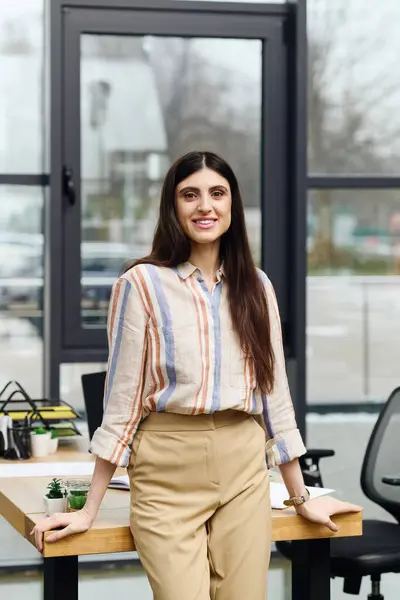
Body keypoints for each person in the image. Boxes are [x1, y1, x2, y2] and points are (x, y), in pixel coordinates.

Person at [32, 151, 361, 599]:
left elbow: (274, 400)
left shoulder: (257, 287)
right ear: (173, 206)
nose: (205, 206)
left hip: (243, 468)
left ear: (232, 206)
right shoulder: (141, 284)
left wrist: (301, 497)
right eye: (191, 194)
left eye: (217, 193)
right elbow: (123, 401)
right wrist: (89, 509)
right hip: (166, 471)